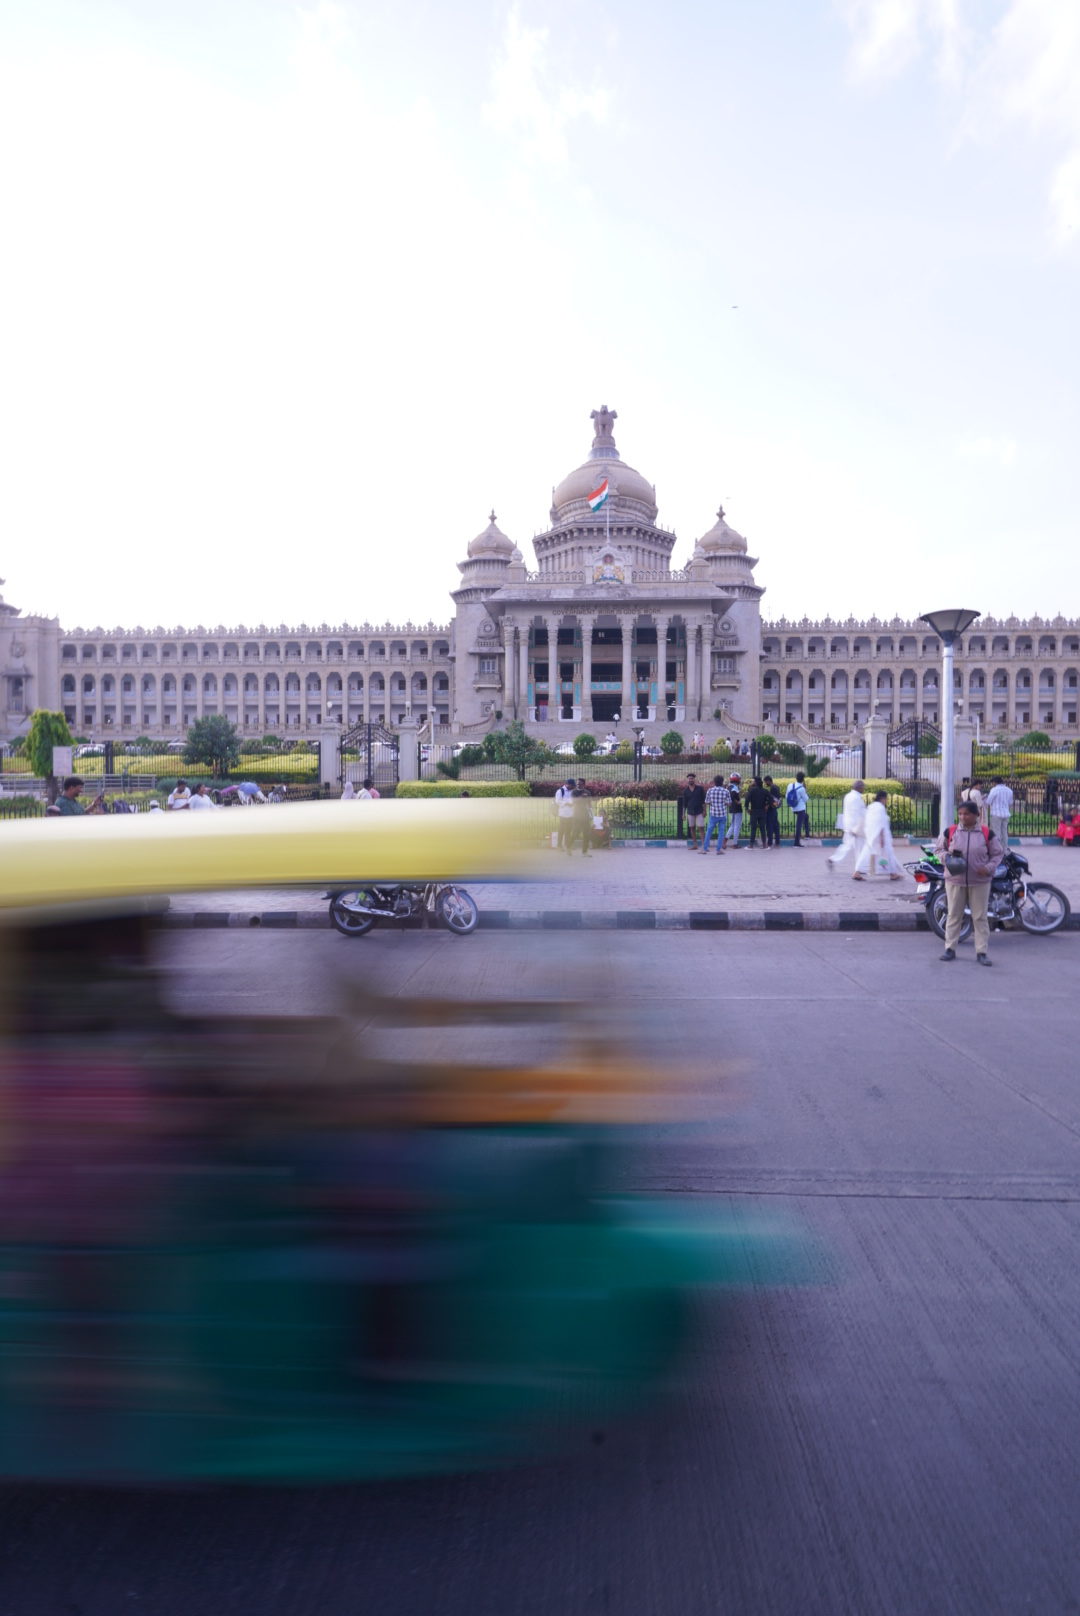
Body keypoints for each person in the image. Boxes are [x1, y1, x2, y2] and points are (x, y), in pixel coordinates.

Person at [934, 798, 1004, 966]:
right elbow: (938, 850)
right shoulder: (950, 831)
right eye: (960, 814)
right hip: (955, 881)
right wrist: (947, 858)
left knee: (980, 917)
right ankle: (950, 948)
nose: (962, 817)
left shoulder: (986, 833)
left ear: (976, 815)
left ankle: (981, 952)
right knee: (953, 915)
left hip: (980, 882)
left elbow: (997, 854)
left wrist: (988, 868)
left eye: (966, 814)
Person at [855, 791, 902, 880]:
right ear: (883, 798)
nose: (886, 801)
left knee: (866, 853)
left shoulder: (871, 806)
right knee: (888, 854)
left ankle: (857, 872)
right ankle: (893, 873)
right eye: (886, 799)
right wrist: (881, 838)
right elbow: (880, 823)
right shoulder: (880, 808)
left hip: (871, 835)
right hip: (880, 836)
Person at [828, 779, 867, 875]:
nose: (864, 789)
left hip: (847, 825)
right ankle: (860, 868)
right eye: (863, 787)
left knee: (847, 845)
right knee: (859, 848)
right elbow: (860, 813)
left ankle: (833, 859)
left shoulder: (848, 796)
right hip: (855, 827)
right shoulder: (857, 798)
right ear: (859, 788)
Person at [701, 775, 731, 855]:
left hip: (713, 814)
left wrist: (713, 803)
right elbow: (729, 803)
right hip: (722, 814)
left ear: (714, 782)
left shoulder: (710, 790)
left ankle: (705, 849)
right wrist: (723, 803)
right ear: (722, 782)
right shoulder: (726, 791)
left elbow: (707, 802)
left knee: (709, 831)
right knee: (721, 832)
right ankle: (718, 850)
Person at [680, 772, 706, 850]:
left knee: (701, 828)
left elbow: (703, 801)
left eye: (692, 778)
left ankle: (704, 845)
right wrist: (683, 814)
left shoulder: (700, 789)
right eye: (689, 779)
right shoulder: (685, 791)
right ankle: (695, 845)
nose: (690, 780)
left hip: (699, 811)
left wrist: (705, 810)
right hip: (690, 812)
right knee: (692, 828)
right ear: (687, 780)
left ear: (694, 779)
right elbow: (684, 804)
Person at [986, 776, 1013, 848]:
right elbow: (1010, 802)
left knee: (996, 832)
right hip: (1006, 814)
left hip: (996, 814)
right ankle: (1004, 848)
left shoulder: (994, 790)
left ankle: (997, 848)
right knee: (1004, 832)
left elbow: (988, 801)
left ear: (994, 782)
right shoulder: (1009, 790)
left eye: (992, 783)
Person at [745, 776, 770, 849]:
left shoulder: (752, 791)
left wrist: (747, 808)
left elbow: (747, 800)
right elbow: (770, 799)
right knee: (762, 828)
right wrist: (767, 805)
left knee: (753, 828)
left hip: (754, 811)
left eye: (753, 781)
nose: (752, 782)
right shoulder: (765, 791)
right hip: (762, 812)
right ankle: (764, 844)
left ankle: (751, 845)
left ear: (755, 782)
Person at [788, 771, 810, 847]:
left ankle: (807, 835)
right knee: (799, 825)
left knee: (806, 817)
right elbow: (806, 799)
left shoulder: (790, 785)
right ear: (803, 779)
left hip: (793, 807)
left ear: (796, 778)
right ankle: (796, 843)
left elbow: (787, 795)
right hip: (800, 809)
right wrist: (805, 789)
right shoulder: (802, 788)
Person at [554, 777, 576, 852]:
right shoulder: (560, 791)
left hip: (571, 814)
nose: (573, 787)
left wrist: (572, 803)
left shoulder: (572, 791)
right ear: (567, 784)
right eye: (572, 785)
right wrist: (566, 803)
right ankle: (559, 845)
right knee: (561, 830)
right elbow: (557, 801)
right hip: (563, 814)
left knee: (568, 831)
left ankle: (567, 845)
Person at [569, 787, 592, 856]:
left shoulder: (587, 792)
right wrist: (581, 797)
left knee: (586, 834)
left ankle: (585, 852)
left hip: (585, 816)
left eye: (580, 783)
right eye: (577, 783)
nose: (578, 784)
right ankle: (569, 847)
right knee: (575, 833)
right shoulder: (574, 792)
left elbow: (589, 804)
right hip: (577, 816)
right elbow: (573, 802)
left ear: (583, 784)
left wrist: (591, 813)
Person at [724, 774, 743, 848]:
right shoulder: (735, 787)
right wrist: (737, 802)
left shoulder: (728, 787)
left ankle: (725, 840)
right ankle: (735, 844)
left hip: (731, 808)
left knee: (732, 825)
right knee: (737, 826)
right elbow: (732, 796)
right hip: (737, 808)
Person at [763, 775, 781, 848]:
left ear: (768, 781)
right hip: (774, 809)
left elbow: (772, 799)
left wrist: (767, 805)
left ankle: (770, 842)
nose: (765, 783)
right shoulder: (776, 787)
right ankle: (777, 842)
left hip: (771, 809)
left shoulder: (773, 788)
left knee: (769, 826)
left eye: (765, 782)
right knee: (776, 825)